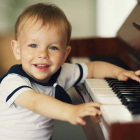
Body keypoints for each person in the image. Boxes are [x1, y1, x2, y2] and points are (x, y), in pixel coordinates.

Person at [0, 3, 140, 140]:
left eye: (53, 47)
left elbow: (92, 68)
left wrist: (120, 73)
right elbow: (35, 102)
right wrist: (70, 111)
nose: (42, 54)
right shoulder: (12, 82)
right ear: (17, 49)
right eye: (33, 45)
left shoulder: (62, 72)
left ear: (65, 54)